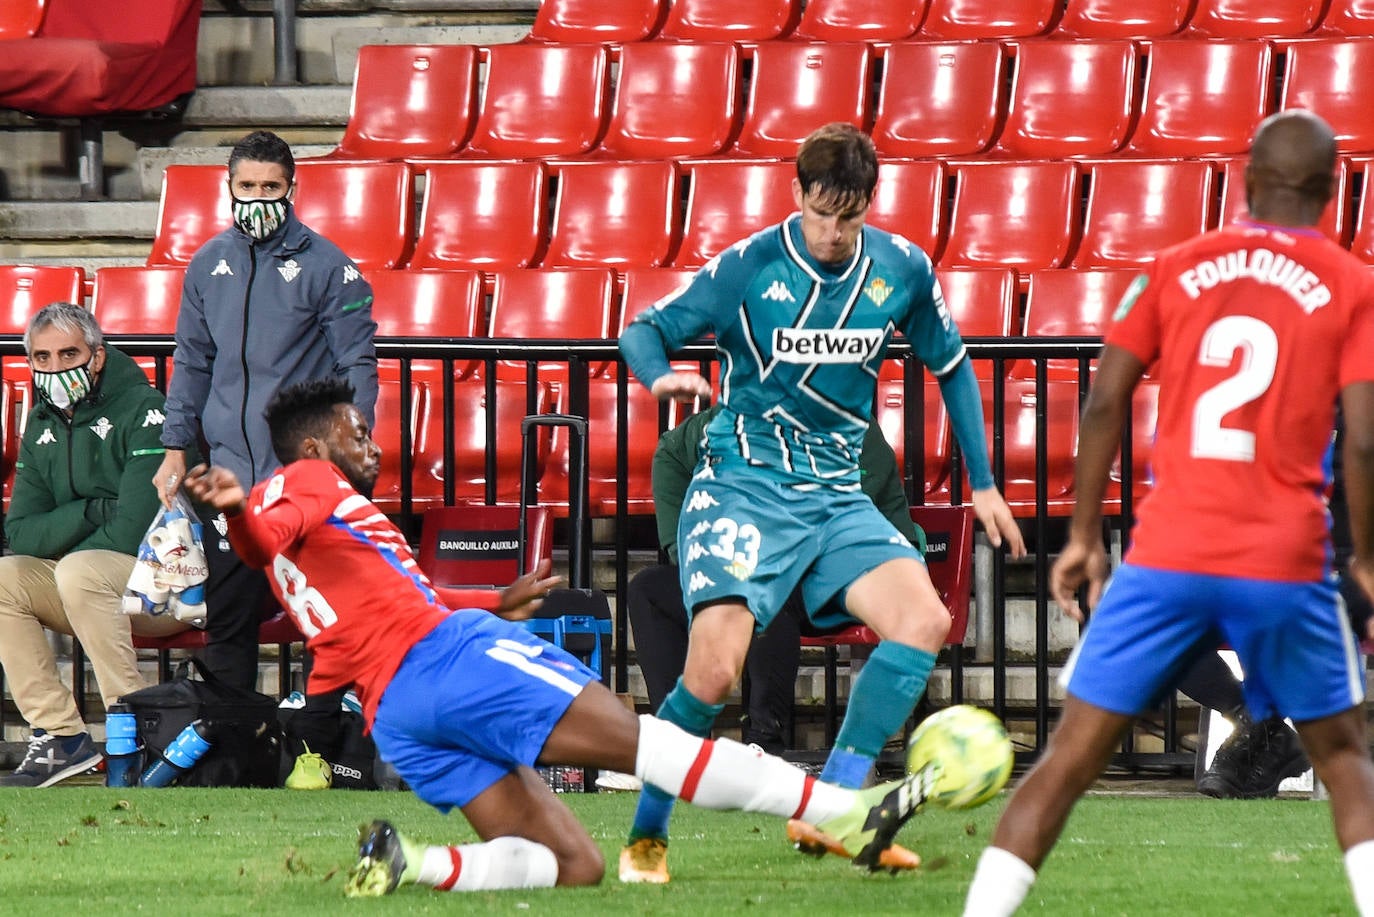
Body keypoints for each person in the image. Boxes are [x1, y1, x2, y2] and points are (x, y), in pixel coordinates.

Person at [183, 377, 937, 895]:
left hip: (400, 715)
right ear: (316, 448)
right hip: (451, 660)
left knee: (573, 864)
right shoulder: (309, 484)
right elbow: (260, 538)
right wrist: (237, 514)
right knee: (653, 747)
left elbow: (374, 592)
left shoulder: (317, 514)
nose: (373, 446)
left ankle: (410, 860)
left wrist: (490, 595)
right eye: (359, 433)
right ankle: (837, 807)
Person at [963, 110, 1374, 916]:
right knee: (1344, 760)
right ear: (1331, 192)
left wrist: (1084, 535)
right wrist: (1367, 556)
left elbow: (1106, 399)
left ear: (1246, 182)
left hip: (1170, 555)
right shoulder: (1354, 285)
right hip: (1284, 558)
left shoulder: (1176, 266)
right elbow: (1362, 438)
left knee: (1068, 760)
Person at [617, 122, 1026, 883]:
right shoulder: (749, 265)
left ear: (871, 204)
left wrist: (983, 481)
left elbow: (955, 365)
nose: (834, 233)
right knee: (711, 674)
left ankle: (833, 804)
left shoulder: (902, 268)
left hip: (836, 491)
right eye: (822, 213)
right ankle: (646, 835)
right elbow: (643, 328)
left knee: (923, 619)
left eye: (851, 216)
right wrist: (659, 378)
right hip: (743, 481)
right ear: (797, 192)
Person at [151, 129, 378, 785]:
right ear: (229, 187)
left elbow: (358, 365)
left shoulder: (330, 266)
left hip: (303, 484)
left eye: (270, 188)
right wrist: (173, 445)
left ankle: (326, 757)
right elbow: (192, 363)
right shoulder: (206, 265)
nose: (257, 199)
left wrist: (349, 455)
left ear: (292, 190)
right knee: (229, 624)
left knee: (325, 626)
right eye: (246, 187)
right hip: (230, 486)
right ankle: (233, 758)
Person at [628, 402, 925, 760]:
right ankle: (681, 748)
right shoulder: (715, 427)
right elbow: (673, 459)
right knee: (648, 589)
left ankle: (764, 744)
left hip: (852, 575)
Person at [0, 303, 189, 787]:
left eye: (69, 354)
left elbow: (132, 532)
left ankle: (135, 730)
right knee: (5, 577)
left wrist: (70, 544)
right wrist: (92, 509)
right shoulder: (41, 420)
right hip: (85, 589)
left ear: (98, 356)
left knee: (78, 568)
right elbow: (20, 531)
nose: (56, 367)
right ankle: (61, 738)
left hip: (166, 590)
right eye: (42, 358)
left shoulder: (145, 408)